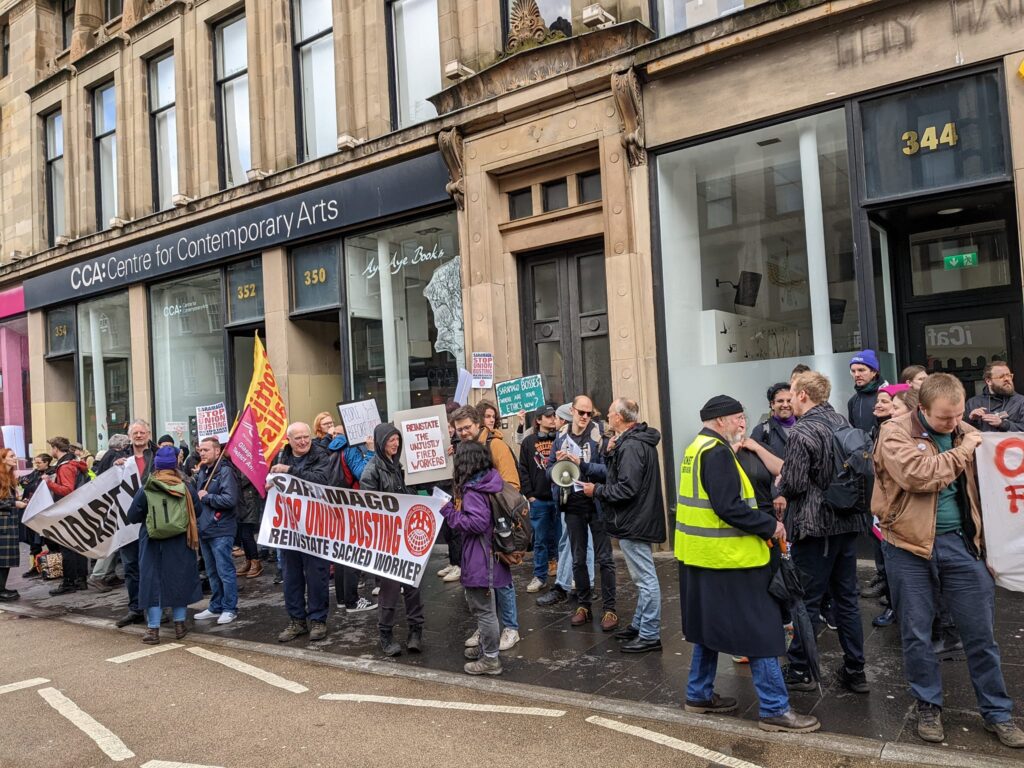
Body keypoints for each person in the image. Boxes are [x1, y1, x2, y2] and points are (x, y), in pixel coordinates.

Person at [873, 373, 1024, 749]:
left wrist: (991, 546)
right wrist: (965, 447)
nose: (953, 423)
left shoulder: (964, 430)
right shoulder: (894, 432)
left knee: (981, 634)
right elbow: (919, 475)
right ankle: (928, 706)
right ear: (921, 408)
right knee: (917, 633)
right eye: (944, 418)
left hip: (961, 546)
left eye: (958, 415)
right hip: (907, 547)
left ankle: (998, 714)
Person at [677, 395, 818, 733]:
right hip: (732, 560)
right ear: (720, 420)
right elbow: (728, 507)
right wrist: (770, 525)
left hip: (699, 556)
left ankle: (698, 694)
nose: (743, 424)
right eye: (738, 418)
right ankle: (774, 708)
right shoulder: (717, 453)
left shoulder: (695, 448)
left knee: (707, 628)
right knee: (762, 629)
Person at [778, 371, 869, 695]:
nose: (788, 397)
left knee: (806, 600)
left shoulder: (803, 431)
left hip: (816, 527)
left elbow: (795, 483)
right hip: (847, 523)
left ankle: (802, 668)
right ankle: (856, 670)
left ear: (803, 394)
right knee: (846, 599)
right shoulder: (840, 420)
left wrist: (781, 484)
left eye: (791, 391)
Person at [583, 398, 665, 653]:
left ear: (619, 417)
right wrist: (609, 453)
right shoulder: (633, 441)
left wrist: (595, 490)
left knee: (645, 580)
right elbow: (619, 475)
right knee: (643, 577)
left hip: (634, 519)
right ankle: (640, 626)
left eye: (609, 413)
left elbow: (626, 487)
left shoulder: (632, 445)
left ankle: (650, 634)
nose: (606, 417)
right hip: (637, 518)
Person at [451, 404, 522, 651]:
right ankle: (487, 627)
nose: (463, 432)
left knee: (502, 580)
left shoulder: (496, 446)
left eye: (467, 427)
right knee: (483, 583)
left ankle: (511, 628)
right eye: (459, 429)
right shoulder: (462, 448)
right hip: (473, 524)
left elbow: (511, 484)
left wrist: (483, 506)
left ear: (478, 423)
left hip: (494, 525)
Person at [545, 395, 617, 632]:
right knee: (577, 559)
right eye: (581, 412)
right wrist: (557, 465)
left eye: (589, 413)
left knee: (605, 558)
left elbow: (609, 471)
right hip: (572, 504)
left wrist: (582, 464)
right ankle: (583, 605)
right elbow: (548, 473)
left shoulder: (600, 436)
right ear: (572, 411)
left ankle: (609, 609)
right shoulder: (561, 436)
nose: (585, 417)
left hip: (596, 503)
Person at [441, 441, 510, 675]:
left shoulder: (473, 490)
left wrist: (449, 512)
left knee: (484, 609)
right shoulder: (489, 480)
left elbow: (477, 523)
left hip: (482, 557)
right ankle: (486, 649)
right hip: (490, 554)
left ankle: (491, 659)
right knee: (485, 606)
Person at [125, 446, 202, 645]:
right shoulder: (186, 487)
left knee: (153, 583)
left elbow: (132, 515)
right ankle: (179, 625)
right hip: (180, 541)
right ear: (175, 464)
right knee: (179, 581)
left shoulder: (147, 488)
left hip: (152, 542)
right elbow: (198, 510)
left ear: (156, 466)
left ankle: (153, 630)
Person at [361, 422, 423, 656]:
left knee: (413, 584)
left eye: (397, 439)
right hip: (387, 538)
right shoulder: (372, 470)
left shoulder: (399, 466)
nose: (395, 444)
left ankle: (416, 631)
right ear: (380, 442)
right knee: (389, 587)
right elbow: (368, 505)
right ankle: (385, 634)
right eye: (390, 440)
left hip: (406, 534)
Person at [270, 422, 334, 642]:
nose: (304, 441)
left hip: (315, 528)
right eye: (298, 438)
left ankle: (318, 620)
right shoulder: (280, 457)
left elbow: (321, 481)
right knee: (291, 577)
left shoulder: (321, 456)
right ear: (289, 440)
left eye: (306, 436)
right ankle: (297, 621)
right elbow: (269, 484)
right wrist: (269, 483)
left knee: (317, 576)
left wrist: (290, 471)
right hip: (289, 529)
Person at [326, 422, 377, 613]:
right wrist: (371, 452)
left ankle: (341, 599)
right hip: (352, 506)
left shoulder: (332, 447)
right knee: (353, 554)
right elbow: (363, 474)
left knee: (341, 554)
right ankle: (352, 601)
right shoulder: (351, 448)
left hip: (338, 505)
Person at [114, 420, 157, 628]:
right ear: (129, 436)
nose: (139, 435)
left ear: (149, 434)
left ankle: (156, 607)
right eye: (135, 432)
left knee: (153, 565)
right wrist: (114, 469)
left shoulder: (157, 457)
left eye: (142, 432)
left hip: (153, 520)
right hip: (126, 522)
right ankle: (135, 608)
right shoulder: (117, 457)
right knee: (130, 566)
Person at [192, 438, 240, 625]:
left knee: (224, 571)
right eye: (200, 450)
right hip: (205, 528)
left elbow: (230, 500)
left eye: (206, 450)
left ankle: (230, 608)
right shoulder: (204, 471)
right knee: (212, 571)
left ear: (217, 451)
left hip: (221, 528)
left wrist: (208, 497)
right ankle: (216, 605)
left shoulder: (225, 471)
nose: (202, 453)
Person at [518, 404, 559, 594]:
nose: (552, 419)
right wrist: (530, 495)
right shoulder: (528, 442)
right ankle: (540, 576)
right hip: (539, 499)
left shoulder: (560, 439)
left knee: (561, 539)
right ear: (539, 420)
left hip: (560, 497)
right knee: (540, 540)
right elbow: (523, 469)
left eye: (554, 416)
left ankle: (562, 576)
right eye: (548, 416)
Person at [45, 436, 91, 596]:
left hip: (68, 509)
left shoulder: (65, 466)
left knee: (67, 547)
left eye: (51, 448)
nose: (51, 451)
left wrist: (48, 483)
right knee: (78, 545)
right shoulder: (76, 463)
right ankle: (81, 580)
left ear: (56, 449)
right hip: (78, 509)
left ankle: (69, 582)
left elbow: (66, 490)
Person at [18, 453, 52, 579]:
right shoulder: (35, 473)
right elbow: (25, 481)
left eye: (39, 462)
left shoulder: (50, 473)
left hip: (43, 510)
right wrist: (22, 480)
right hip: (31, 510)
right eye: (35, 462)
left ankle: (53, 564)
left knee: (49, 540)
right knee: (33, 542)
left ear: (46, 462)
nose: (36, 465)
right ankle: (34, 566)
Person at [965, 361, 1024, 433]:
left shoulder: (1021, 402)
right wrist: (971, 419)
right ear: (989, 381)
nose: (1007, 379)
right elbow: (961, 431)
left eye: (1009, 375)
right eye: (1001, 376)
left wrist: (1003, 424)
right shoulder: (973, 403)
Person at [0, 449, 26, 601]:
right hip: (2, 524)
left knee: (6, 560)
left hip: (8, 523)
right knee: (2, 560)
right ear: (3, 459)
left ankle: (2, 588)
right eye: (11, 456)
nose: (15, 458)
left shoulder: (9, 477)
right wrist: (14, 503)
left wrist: (20, 501)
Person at [750, 383, 793, 460]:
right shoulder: (761, 431)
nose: (785, 405)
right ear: (772, 404)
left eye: (789, 401)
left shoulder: (806, 427)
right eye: (780, 401)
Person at [234, 471, 264, 579]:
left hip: (249, 502)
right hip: (240, 503)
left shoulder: (248, 464)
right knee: (242, 534)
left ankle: (256, 562)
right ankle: (249, 560)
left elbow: (244, 479)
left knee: (247, 534)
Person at [848, 350, 884, 432]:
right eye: (853, 371)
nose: (856, 375)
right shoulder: (852, 401)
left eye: (861, 370)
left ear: (874, 372)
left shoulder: (889, 395)